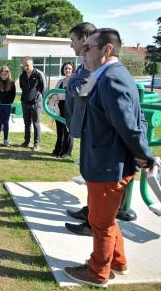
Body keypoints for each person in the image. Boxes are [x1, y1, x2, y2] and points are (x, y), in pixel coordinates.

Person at [63, 28, 154, 288]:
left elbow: (130, 125)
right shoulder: (105, 75)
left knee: (100, 222)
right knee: (107, 218)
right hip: (105, 161)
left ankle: (97, 273)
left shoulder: (112, 78)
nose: (83, 50)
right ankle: (118, 261)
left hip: (108, 164)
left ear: (107, 50)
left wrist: (143, 156)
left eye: (88, 47)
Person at [64, 22, 97, 236]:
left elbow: (81, 88)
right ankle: (90, 212)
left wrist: (69, 82)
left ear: (84, 39)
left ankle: (93, 219)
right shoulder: (84, 62)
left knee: (93, 175)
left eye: (72, 41)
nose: (71, 46)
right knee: (88, 174)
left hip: (90, 126)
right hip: (83, 125)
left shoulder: (90, 63)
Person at [18, 56, 46, 151]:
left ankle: (37, 144)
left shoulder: (39, 74)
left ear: (32, 64)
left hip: (36, 103)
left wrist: (38, 98)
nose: (26, 67)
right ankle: (27, 142)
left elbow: (43, 88)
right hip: (25, 103)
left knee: (36, 124)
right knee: (27, 124)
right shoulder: (22, 75)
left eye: (27, 65)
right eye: (24, 65)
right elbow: (22, 87)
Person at [51, 62, 74, 158]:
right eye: (65, 68)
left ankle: (66, 152)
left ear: (72, 70)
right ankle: (58, 150)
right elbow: (54, 93)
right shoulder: (60, 81)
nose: (67, 70)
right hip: (59, 108)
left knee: (68, 131)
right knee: (60, 130)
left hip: (69, 107)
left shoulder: (74, 81)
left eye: (69, 68)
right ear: (63, 70)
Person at [0, 66, 16, 147]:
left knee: (6, 122)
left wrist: (10, 103)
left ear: (8, 74)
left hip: (7, 106)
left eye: (5, 74)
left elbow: (13, 95)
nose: (3, 76)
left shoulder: (12, 83)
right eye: (2, 74)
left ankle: (6, 140)